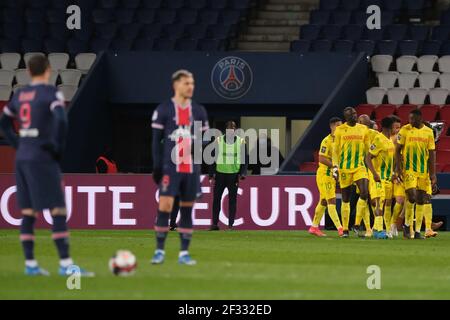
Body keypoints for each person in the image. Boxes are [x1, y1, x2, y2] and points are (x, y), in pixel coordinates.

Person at [0, 55, 93, 276]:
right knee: (58, 210)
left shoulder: (20, 94)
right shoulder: (51, 93)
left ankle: (31, 265)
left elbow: (3, 123)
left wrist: (17, 143)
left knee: (28, 212)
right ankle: (65, 265)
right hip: (42, 156)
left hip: (22, 156)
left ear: (29, 71)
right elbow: (61, 120)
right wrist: (56, 147)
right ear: (48, 70)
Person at [150, 69, 209, 265]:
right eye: (186, 83)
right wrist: (157, 166)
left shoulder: (199, 111)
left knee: (186, 210)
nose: (190, 86)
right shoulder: (164, 109)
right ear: (176, 85)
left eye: (192, 83)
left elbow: (203, 142)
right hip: (170, 166)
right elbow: (155, 140)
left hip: (190, 168)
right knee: (165, 207)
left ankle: (184, 253)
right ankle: (159, 251)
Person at [395, 109, 436, 239]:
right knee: (411, 196)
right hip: (409, 170)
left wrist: (433, 174)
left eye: (413, 119)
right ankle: (407, 225)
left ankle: (417, 231)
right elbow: (397, 150)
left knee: (420, 200)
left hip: (423, 172)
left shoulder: (428, 132)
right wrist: (398, 168)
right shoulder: (405, 130)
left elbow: (432, 154)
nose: (410, 121)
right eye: (409, 118)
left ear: (420, 118)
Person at [332, 107, 372, 238]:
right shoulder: (340, 130)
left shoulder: (363, 129)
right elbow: (336, 151)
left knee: (365, 193)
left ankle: (356, 223)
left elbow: (367, 151)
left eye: (355, 114)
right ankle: (345, 229)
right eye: (351, 115)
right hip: (344, 168)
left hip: (359, 167)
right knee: (346, 199)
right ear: (346, 118)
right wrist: (335, 168)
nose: (354, 116)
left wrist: (370, 168)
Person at [308, 117, 344, 237]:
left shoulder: (340, 140)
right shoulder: (326, 141)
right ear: (332, 126)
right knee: (331, 201)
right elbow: (322, 158)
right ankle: (340, 229)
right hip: (324, 174)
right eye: (338, 126)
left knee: (323, 201)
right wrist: (334, 167)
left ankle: (314, 227)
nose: (340, 128)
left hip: (332, 174)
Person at [209, 121, 247, 230]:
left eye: (233, 129)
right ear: (226, 130)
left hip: (233, 175)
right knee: (216, 199)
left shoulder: (241, 142)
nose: (231, 131)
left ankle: (230, 225)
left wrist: (242, 173)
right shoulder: (219, 140)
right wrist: (211, 174)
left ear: (235, 130)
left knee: (232, 200)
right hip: (220, 174)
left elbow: (245, 159)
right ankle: (215, 224)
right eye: (230, 129)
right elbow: (213, 158)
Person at [365, 117, 396, 239]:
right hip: (378, 177)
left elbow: (388, 160)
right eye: (394, 126)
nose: (396, 128)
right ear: (389, 127)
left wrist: (393, 172)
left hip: (387, 178)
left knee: (384, 204)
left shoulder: (389, 141)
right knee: (379, 204)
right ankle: (378, 230)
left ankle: (380, 229)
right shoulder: (378, 139)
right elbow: (368, 158)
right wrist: (374, 174)